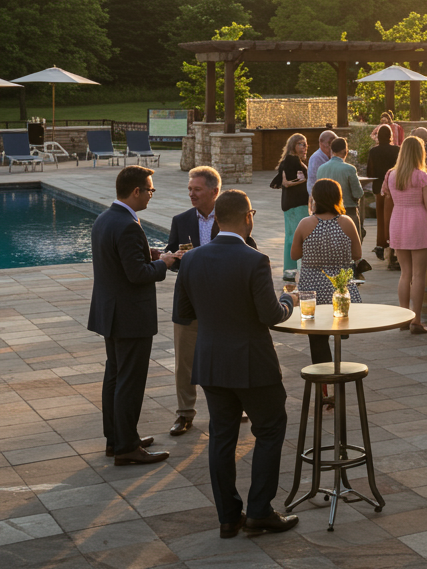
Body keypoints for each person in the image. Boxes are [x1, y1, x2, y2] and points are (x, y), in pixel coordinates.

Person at [174, 189, 301, 537]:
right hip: (252, 363)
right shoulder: (255, 260)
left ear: (215, 218)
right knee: (271, 428)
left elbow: (183, 314)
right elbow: (271, 316)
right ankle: (259, 510)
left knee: (222, 436)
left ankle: (229, 517)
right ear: (248, 218)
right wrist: (288, 300)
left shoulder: (192, 260)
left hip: (212, 362)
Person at [88, 166, 177, 465]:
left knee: (114, 376)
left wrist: (146, 252)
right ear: (136, 191)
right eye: (150, 190)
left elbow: (119, 259)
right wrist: (164, 262)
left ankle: (117, 439)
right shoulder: (127, 224)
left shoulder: (105, 218)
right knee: (129, 380)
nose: (152, 194)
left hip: (110, 314)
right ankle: (127, 448)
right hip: (130, 317)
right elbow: (137, 274)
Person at [165, 166, 241, 438]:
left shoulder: (230, 217)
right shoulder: (181, 220)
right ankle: (184, 414)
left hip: (225, 302)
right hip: (190, 302)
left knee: (229, 354)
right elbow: (170, 257)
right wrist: (175, 259)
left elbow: (246, 249)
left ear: (214, 192)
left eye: (197, 189)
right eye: (189, 189)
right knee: (185, 361)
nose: (191, 194)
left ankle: (237, 405)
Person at [292, 180, 364, 366]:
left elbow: (294, 254)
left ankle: (324, 385)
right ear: (338, 198)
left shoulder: (305, 223)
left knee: (317, 339)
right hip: (339, 288)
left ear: (315, 198)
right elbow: (357, 254)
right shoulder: (346, 222)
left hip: (312, 290)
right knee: (338, 328)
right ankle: (337, 365)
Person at [385, 136, 427, 335]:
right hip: (417, 221)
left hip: (398, 220)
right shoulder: (421, 176)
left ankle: (403, 318)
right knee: (418, 275)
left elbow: (389, 196)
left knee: (404, 273)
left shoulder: (391, 175)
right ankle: (416, 320)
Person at [271, 135, 309, 279]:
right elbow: (286, 182)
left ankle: (290, 270)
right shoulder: (292, 161)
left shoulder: (289, 160)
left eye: (305, 144)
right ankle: (296, 270)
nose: (304, 147)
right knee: (297, 237)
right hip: (296, 204)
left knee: (290, 236)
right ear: (293, 145)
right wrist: (306, 180)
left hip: (290, 203)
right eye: (301, 144)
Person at [366, 125, 400, 262]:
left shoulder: (373, 151)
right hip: (394, 187)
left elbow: (370, 171)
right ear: (390, 136)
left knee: (380, 217)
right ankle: (393, 243)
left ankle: (381, 244)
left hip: (379, 186)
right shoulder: (397, 150)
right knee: (394, 216)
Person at [318, 138, 364, 236]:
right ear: (345, 151)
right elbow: (358, 193)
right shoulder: (350, 169)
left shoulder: (321, 169)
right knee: (353, 242)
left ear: (332, 151)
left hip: (326, 212)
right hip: (347, 210)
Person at [307, 129, 336, 193]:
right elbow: (313, 180)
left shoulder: (334, 156)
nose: (331, 146)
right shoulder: (316, 158)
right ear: (321, 143)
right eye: (329, 142)